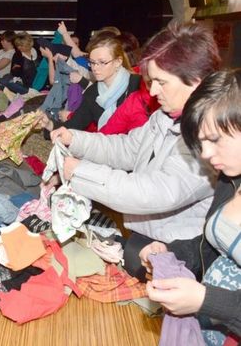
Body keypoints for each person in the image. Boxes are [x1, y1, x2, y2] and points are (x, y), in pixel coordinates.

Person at [46, 22, 221, 281]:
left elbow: (155, 191)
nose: (153, 91)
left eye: (161, 82)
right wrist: (76, 139)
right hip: (151, 230)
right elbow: (128, 148)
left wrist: (81, 172)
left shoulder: (209, 133)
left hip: (181, 248)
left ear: (194, 81)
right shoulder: (167, 115)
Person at [140, 69, 241, 342]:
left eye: (214, 139)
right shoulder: (230, 179)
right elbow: (213, 246)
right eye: (201, 142)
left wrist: (205, 300)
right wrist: (172, 252)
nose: (206, 154)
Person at [43, 34, 140, 133]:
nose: (95, 68)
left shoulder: (138, 84)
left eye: (102, 62)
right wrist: (48, 125)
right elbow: (74, 125)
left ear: (118, 62)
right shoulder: (92, 92)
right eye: (92, 62)